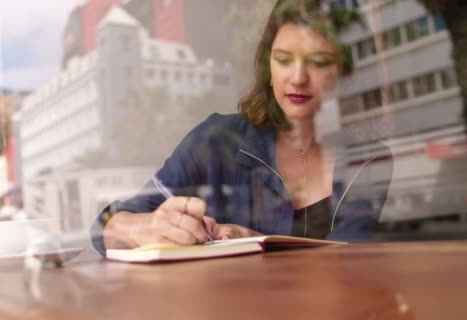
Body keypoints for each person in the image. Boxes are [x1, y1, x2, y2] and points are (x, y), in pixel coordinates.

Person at [91, 0, 393, 256]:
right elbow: (105, 226)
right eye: (284, 59)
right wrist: (144, 227)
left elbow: (349, 264)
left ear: (336, 73)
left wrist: (253, 242)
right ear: (268, 69)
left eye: (317, 61)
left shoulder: (365, 161)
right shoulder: (216, 141)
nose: (298, 77)